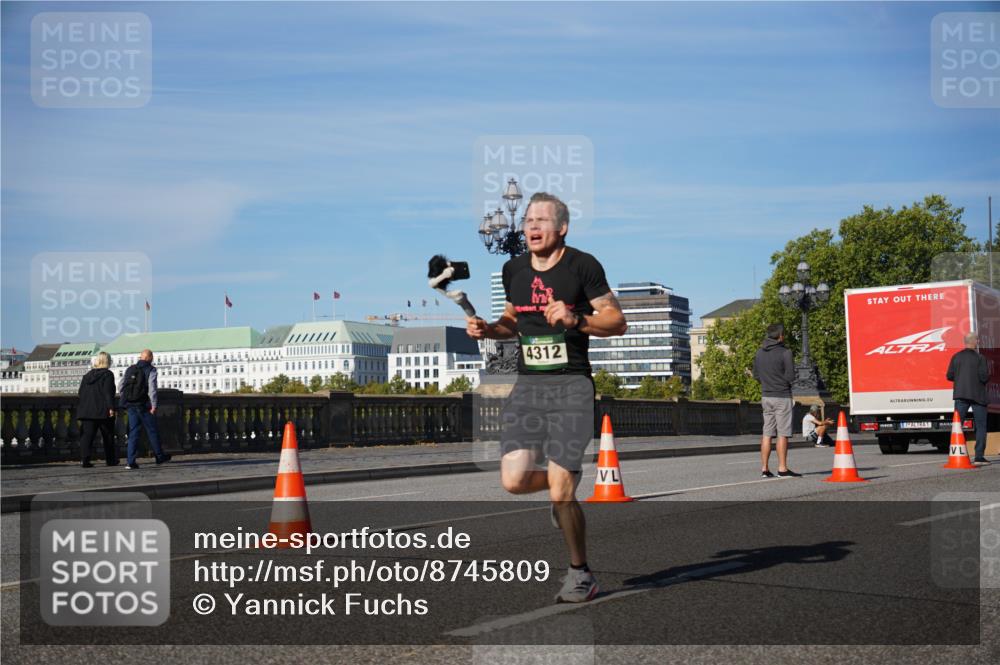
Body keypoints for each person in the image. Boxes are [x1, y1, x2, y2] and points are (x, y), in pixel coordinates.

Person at [467, 192, 626, 603]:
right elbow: (511, 321)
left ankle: (581, 573)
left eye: (542, 220)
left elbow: (617, 321)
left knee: (561, 491)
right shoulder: (514, 269)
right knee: (514, 480)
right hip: (529, 388)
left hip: (571, 386)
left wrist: (577, 319)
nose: (532, 227)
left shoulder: (583, 265)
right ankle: (560, 491)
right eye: (528, 221)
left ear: (562, 228)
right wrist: (488, 330)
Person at [752, 323, 800, 477]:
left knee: (767, 433)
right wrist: (782, 382)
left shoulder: (759, 352)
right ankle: (782, 468)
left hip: (766, 396)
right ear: (780, 336)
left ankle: (765, 469)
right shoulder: (786, 352)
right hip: (782, 396)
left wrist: (768, 383)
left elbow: (756, 375)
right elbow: (791, 376)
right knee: (782, 433)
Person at [118, 349, 171, 469]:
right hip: (144, 405)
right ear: (149, 358)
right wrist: (154, 405)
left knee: (133, 433)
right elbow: (152, 389)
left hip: (131, 405)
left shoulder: (130, 369)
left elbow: (121, 385)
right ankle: (159, 456)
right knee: (152, 430)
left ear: (141, 357)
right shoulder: (151, 370)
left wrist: (127, 397)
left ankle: (130, 461)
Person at [946, 331, 991, 465]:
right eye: (978, 340)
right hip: (978, 396)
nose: (979, 342)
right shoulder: (980, 358)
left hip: (960, 395)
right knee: (981, 426)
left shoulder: (956, 357)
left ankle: (955, 453)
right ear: (975, 342)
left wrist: (961, 379)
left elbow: (949, 376)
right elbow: (984, 377)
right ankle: (979, 457)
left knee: (957, 425)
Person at [76, 351, 119, 467]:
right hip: (102, 410)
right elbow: (108, 393)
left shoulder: (87, 376)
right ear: (108, 361)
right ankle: (110, 460)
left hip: (87, 410)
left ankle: (85, 460)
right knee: (108, 436)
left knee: (87, 437)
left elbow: (80, 392)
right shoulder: (108, 374)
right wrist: (111, 408)